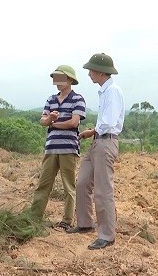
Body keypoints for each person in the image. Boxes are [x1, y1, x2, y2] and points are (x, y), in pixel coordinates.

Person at [70, 53, 125, 250]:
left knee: (103, 190)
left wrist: (95, 130)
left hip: (105, 143)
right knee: (83, 182)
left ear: (101, 72)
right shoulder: (105, 91)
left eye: (91, 70)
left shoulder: (112, 92)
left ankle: (107, 235)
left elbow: (109, 122)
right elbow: (106, 122)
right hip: (98, 141)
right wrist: (91, 133)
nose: (89, 74)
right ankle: (85, 223)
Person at [29, 65, 86, 231]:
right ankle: (34, 218)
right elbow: (42, 121)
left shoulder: (78, 99)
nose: (57, 82)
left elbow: (74, 123)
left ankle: (67, 221)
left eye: (60, 78)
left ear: (69, 80)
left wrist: (53, 123)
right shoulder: (51, 99)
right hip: (51, 148)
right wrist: (50, 120)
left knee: (69, 186)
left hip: (68, 148)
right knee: (43, 185)